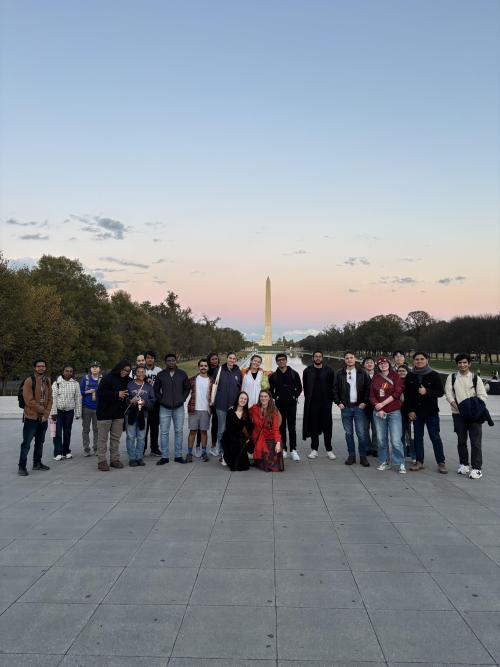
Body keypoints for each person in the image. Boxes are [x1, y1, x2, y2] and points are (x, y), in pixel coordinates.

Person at [445, 353, 489, 480]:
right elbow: (448, 394)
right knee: (461, 440)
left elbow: (482, 396)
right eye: (460, 363)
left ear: (469, 364)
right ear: (457, 364)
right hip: (458, 414)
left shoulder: (476, 378)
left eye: (465, 363)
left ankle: (476, 468)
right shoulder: (452, 377)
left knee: (475, 442)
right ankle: (464, 464)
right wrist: (456, 406)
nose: (462, 365)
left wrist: (472, 408)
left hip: (474, 415)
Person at [404, 351, 447, 473]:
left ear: (427, 360)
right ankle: (419, 461)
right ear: (414, 361)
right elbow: (406, 395)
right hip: (416, 413)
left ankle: (441, 462)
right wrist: (410, 410)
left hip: (431, 412)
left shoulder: (434, 375)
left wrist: (427, 392)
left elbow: (440, 392)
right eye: (417, 359)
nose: (419, 361)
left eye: (422, 359)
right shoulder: (410, 376)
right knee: (417, 438)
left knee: (435, 437)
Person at [370, 356, 406, 474]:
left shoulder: (395, 376)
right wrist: (377, 407)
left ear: (388, 364)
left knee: (396, 440)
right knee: (381, 439)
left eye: (385, 363)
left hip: (393, 411)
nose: (383, 365)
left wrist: (382, 404)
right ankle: (385, 461)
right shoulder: (375, 378)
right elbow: (371, 395)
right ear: (378, 366)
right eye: (380, 364)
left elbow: (397, 392)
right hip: (379, 412)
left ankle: (400, 462)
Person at [333, 352, 371, 466]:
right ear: (344, 360)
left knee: (361, 433)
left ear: (355, 359)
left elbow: (368, 389)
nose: (349, 360)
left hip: (359, 407)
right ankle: (351, 456)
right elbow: (334, 389)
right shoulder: (339, 373)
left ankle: (363, 456)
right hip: (346, 408)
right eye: (347, 358)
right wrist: (338, 402)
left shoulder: (362, 373)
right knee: (349, 433)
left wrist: (364, 402)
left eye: (351, 358)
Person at [18, 358, 53, 476]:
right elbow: (29, 401)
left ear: (45, 368)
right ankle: (22, 467)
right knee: (26, 443)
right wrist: (42, 410)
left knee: (40, 442)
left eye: (43, 366)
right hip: (31, 418)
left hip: (43, 419)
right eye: (38, 366)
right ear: (35, 368)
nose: (41, 368)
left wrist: (46, 414)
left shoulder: (47, 380)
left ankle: (37, 463)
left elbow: (50, 399)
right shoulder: (29, 381)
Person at [154, 353, 190, 465]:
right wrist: (162, 400)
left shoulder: (182, 374)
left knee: (178, 431)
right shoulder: (161, 375)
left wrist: (182, 399)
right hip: (164, 407)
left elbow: (187, 389)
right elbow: (155, 390)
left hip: (178, 407)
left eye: (173, 360)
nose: (171, 362)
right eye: (168, 360)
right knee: (164, 432)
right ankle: (164, 456)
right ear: (166, 362)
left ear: (176, 361)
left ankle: (178, 455)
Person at [96, 359, 131, 471]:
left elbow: (137, 383)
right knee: (102, 439)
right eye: (124, 370)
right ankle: (101, 461)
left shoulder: (128, 380)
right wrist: (117, 394)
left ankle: (114, 459)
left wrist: (147, 379)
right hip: (104, 414)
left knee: (116, 439)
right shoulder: (107, 378)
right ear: (119, 367)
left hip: (118, 414)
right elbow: (101, 393)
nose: (125, 372)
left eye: (127, 371)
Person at [302, 351, 336, 460]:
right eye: (316, 357)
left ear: (322, 358)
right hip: (312, 404)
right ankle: (314, 449)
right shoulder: (307, 371)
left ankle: (329, 449)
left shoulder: (329, 370)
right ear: (313, 358)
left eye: (319, 356)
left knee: (327, 427)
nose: (317, 358)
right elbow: (306, 387)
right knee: (314, 427)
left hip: (326, 403)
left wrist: (332, 400)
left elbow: (333, 386)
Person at [269, 352, 302, 461]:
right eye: (279, 360)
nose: (281, 361)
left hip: (291, 405)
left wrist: (294, 396)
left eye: (283, 359)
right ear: (277, 362)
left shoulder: (294, 373)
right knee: (281, 428)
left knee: (292, 428)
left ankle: (293, 449)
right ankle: (283, 449)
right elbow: (270, 390)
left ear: (286, 360)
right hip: (279, 406)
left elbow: (300, 388)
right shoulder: (274, 375)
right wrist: (276, 397)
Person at [211, 352, 242, 461]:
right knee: (222, 428)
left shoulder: (238, 372)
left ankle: (228, 448)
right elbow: (213, 385)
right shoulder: (219, 370)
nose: (232, 360)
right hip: (221, 404)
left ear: (235, 360)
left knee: (231, 429)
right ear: (227, 358)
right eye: (230, 358)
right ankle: (219, 449)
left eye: (234, 358)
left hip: (233, 406)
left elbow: (239, 388)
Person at [51, 365, 81, 461]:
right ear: (63, 372)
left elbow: (78, 398)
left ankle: (66, 451)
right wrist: (53, 412)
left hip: (69, 412)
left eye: (71, 371)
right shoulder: (56, 383)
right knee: (57, 433)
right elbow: (53, 399)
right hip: (58, 412)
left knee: (67, 432)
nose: (69, 373)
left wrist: (78, 413)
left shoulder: (76, 383)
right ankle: (58, 452)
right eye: (67, 371)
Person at [126, 365, 155, 466]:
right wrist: (130, 400)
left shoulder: (148, 386)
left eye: (143, 372)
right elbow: (124, 399)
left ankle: (139, 457)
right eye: (139, 372)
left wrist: (145, 403)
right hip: (131, 414)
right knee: (130, 436)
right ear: (135, 373)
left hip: (144, 414)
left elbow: (153, 401)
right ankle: (132, 458)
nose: (141, 374)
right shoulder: (129, 385)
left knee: (141, 437)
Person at [249, 389, 283, 472]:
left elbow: (275, 429)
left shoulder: (273, 411)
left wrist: (278, 442)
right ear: (259, 398)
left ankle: (261, 460)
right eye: (261, 396)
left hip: (269, 436)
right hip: (257, 436)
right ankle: (259, 460)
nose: (263, 398)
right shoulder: (254, 408)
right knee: (266, 462)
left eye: (265, 396)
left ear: (269, 398)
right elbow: (244, 413)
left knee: (276, 448)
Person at [187, 358, 213, 462]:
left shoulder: (212, 380)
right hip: (194, 409)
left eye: (205, 366)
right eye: (201, 365)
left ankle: (203, 452)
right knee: (192, 431)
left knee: (204, 432)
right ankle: (189, 453)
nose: (203, 367)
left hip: (206, 410)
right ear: (199, 367)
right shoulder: (192, 380)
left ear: (208, 367)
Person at [221, 391, 253, 471]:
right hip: (230, 437)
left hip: (241, 438)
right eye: (241, 398)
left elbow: (249, 427)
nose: (243, 400)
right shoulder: (230, 411)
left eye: (245, 399)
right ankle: (225, 456)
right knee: (235, 464)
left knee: (245, 466)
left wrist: (247, 438)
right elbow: (229, 428)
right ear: (238, 399)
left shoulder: (246, 413)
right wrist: (239, 438)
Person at [80, 361, 102, 456]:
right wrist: (88, 391)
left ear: (99, 369)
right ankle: (86, 449)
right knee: (86, 429)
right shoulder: (85, 378)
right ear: (90, 369)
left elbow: (105, 391)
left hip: (98, 408)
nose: (95, 368)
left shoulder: (102, 379)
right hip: (87, 407)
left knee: (97, 429)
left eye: (96, 367)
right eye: (93, 367)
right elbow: (80, 391)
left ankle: (96, 448)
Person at [143, 350, 163, 456]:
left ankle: (154, 448)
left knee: (155, 426)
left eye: (152, 357)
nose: (150, 359)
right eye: (148, 357)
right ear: (145, 359)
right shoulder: (141, 371)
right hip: (144, 401)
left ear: (154, 359)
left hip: (155, 401)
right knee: (144, 426)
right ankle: (142, 447)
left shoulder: (159, 370)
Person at [397, 364, 415, 462]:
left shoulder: (412, 382)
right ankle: (402, 455)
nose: (401, 372)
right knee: (400, 436)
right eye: (399, 371)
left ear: (407, 372)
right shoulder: (395, 383)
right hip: (399, 412)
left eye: (404, 370)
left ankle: (414, 456)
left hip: (410, 412)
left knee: (412, 436)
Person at [361, 357, 378, 457]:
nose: (369, 364)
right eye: (367, 363)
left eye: (371, 362)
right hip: (364, 406)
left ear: (374, 364)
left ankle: (375, 448)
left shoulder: (378, 376)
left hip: (376, 407)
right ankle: (367, 447)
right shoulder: (360, 376)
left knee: (376, 429)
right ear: (364, 365)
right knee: (364, 429)